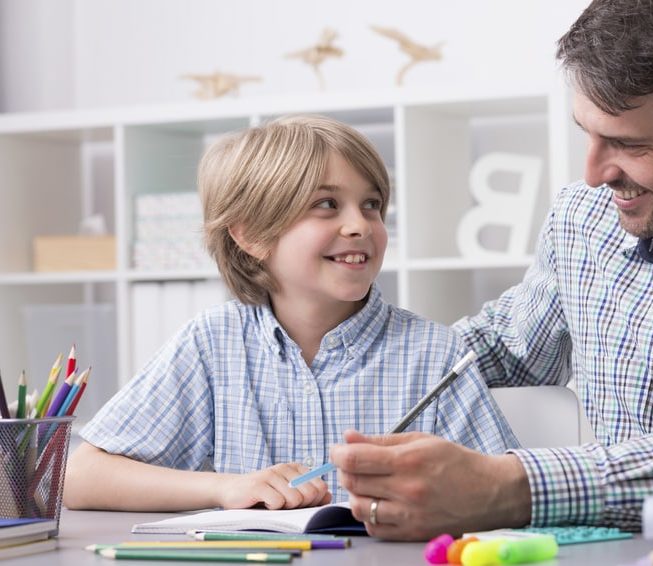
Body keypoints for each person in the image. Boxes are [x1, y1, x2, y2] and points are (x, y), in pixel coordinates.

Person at [330, 0, 653, 541]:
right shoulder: (585, 221)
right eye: (587, 132)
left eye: (629, 143)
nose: (594, 173)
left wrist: (513, 487)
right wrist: (310, 366)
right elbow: (499, 350)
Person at [63, 115, 518, 512]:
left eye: (372, 205)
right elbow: (81, 477)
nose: (360, 224)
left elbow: (503, 493)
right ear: (251, 235)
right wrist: (226, 489)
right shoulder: (212, 342)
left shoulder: (434, 353)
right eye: (326, 204)